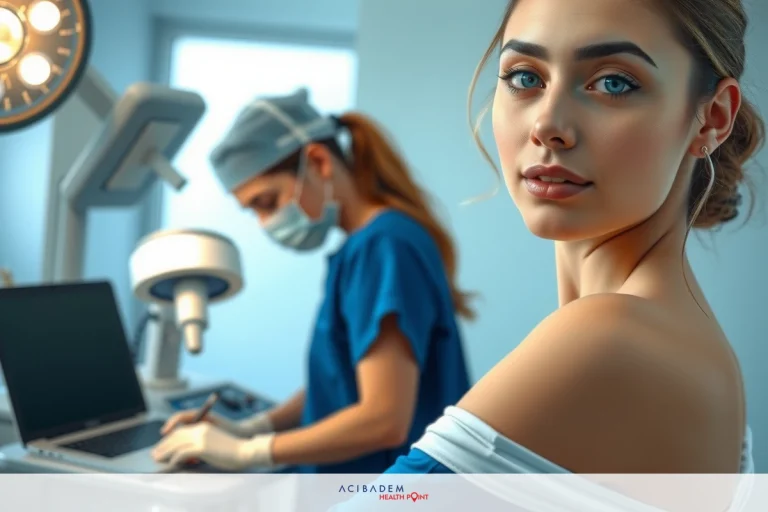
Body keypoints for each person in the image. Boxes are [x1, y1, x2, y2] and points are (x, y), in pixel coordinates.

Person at [382, 0, 763, 478]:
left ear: (712, 118)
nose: (547, 126)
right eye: (525, 77)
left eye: (613, 83)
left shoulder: (611, 339)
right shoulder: (688, 342)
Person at [151, 88, 474, 474]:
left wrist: (250, 452)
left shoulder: (384, 247)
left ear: (318, 162)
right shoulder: (365, 247)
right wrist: (250, 428)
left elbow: (384, 419)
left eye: (267, 202)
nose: (264, 223)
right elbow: (342, 380)